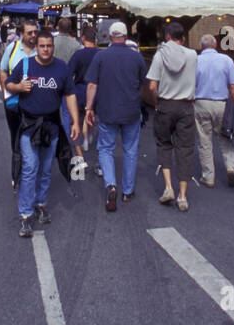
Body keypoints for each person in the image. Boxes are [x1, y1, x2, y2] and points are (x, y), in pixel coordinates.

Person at [5, 29, 80, 237]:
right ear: (36, 47)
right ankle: (26, 214)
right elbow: (8, 83)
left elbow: (70, 94)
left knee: (46, 169)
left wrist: (74, 121)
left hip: (52, 126)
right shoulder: (26, 65)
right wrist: (19, 87)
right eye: (42, 46)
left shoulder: (61, 68)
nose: (46, 49)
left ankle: (41, 203)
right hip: (29, 125)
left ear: (53, 47)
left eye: (49, 46)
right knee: (30, 168)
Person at [84, 21, 147, 210]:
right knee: (130, 149)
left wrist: (89, 108)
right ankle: (127, 191)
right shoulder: (137, 58)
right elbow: (142, 85)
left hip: (107, 110)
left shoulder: (101, 56)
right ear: (126, 36)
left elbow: (92, 85)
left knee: (105, 149)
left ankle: (111, 184)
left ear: (110, 37)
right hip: (131, 110)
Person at [146, 22, 197, 211]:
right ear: (182, 38)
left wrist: (156, 103)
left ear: (167, 36)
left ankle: (168, 187)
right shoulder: (192, 55)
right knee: (185, 149)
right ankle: (183, 196)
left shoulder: (159, 55)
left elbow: (152, 86)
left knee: (164, 145)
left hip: (165, 104)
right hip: (186, 106)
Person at [194, 32, 234, 188]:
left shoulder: (195, 61)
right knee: (225, 137)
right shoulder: (226, 60)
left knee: (204, 141)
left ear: (201, 46)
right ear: (215, 45)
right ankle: (230, 166)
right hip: (222, 104)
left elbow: (189, 84)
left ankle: (208, 176)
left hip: (201, 103)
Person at [0, 18, 38, 184]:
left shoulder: (41, 49)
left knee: (35, 138)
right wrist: (5, 90)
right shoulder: (12, 48)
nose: (34, 35)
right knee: (16, 136)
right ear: (21, 34)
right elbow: (2, 71)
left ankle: (33, 172)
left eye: (35, 32)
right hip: (14, 102)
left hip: (36, 104)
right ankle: (18, 172)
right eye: (30, 33)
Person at [64, 24, 102, 179]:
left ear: (83, 38)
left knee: (74, 124)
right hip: (98, 91)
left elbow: (68, 74)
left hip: (80, 91)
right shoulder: (101, 55)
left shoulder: (78, 55)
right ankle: (100, 162)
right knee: (102, 126)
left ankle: (80, 159)